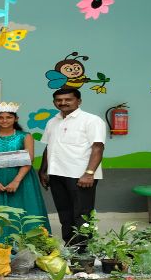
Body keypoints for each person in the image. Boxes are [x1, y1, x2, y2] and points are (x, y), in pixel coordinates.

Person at [38, 89, 106, 242]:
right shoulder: (52, 122)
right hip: (56, 174)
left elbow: (98, 147)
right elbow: (49, 147)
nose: (63, 103)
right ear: (54, 102)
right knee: (64, 213)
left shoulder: (91, 120)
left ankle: (83, 249)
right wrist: (43, 170)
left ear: (79, 101)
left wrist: (89, 173)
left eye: (68, 99)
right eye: (59, 100)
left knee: (82, 214)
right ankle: (70, 245)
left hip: (80, 176)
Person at [0, 102, 52, 238]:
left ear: (16, 119)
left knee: (25, 207)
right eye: (1, 117)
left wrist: (16, 181)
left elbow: (29, 159)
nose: (5, 120)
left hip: (22, 177)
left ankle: (31, 239)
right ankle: (1, 240)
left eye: (9, 117)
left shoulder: (25, 136)